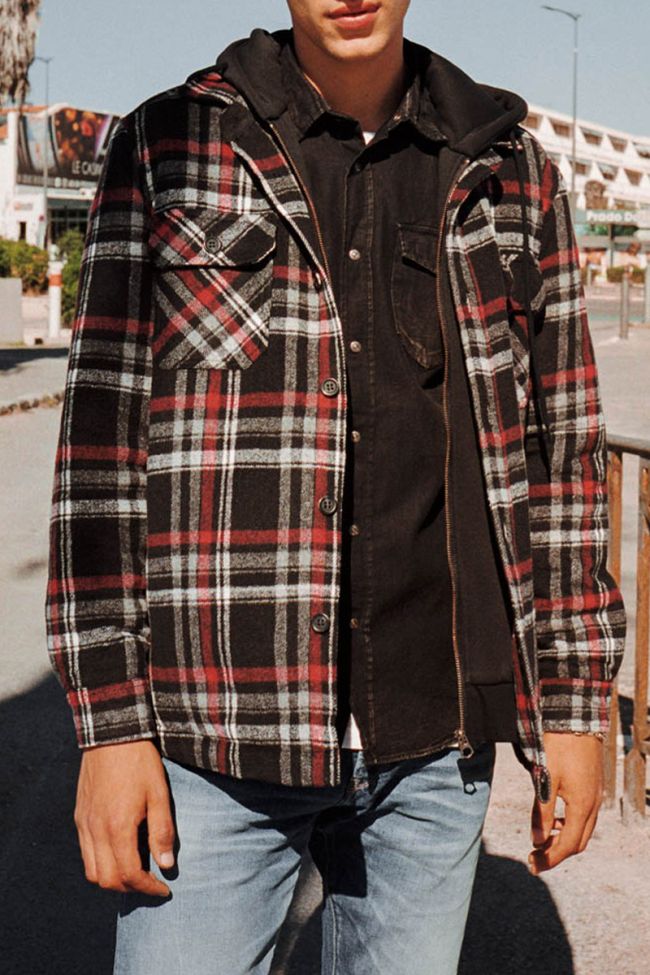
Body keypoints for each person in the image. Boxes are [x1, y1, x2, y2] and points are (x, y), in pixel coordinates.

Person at [44, 2, 626, 973]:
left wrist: (572, 708)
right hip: (217, 731)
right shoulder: (170, 143)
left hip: (435, 741)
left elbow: (560, 458)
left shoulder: (510, 167)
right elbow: (98, 455)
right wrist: (110, 729)